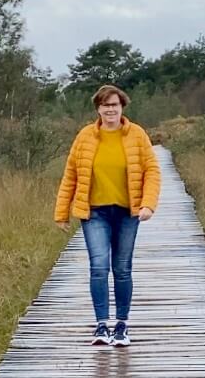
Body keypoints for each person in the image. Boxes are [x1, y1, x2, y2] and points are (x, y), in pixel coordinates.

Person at [54, 84, 161, 347]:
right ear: (98, 109)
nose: (110, 109)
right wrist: (62, 211)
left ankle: (122, 325)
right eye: (105, 105)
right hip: (95, 213)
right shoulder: (85, 137)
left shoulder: (136, 135)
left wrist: (148, 204)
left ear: (122, 106)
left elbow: (152, 171)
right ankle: (101, 325)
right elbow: (71, 175)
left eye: (114, 105)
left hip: (127, 212)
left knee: (122, 269)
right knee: (99, 267)